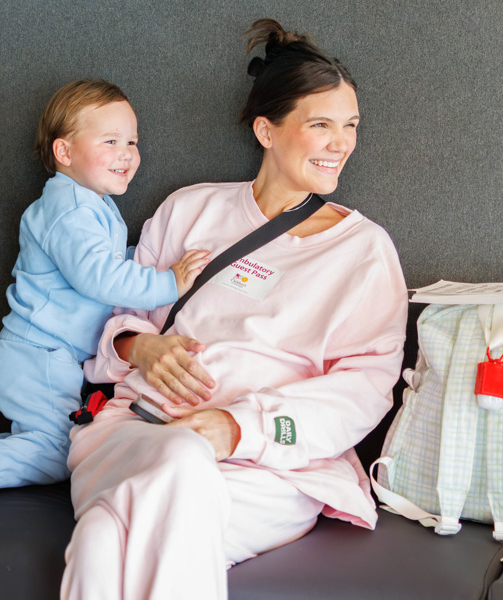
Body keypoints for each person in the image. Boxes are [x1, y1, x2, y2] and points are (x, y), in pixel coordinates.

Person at [59, 19, 409, 599]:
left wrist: (234, 426)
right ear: (266, 130)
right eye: (320, 124)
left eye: (349, 126)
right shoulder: (189, 210)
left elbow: (366, 387)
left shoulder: (363, 251)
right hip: (137, 432)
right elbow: (116, 320)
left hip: (272, 470)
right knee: (175, 462)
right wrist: (140, 345)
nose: (341, 142)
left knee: (104, 535)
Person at [0, 80, 209, 523]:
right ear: (65, 153)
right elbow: (98, 276)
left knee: (55, 439)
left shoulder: (89, 204)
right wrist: (168, 283)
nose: (127, 153)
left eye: (132, 141)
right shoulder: (68, 209)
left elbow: (102, 262)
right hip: (38, 358)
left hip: (42, 357)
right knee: (57, 451)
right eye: (110, 141)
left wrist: (148, 259)